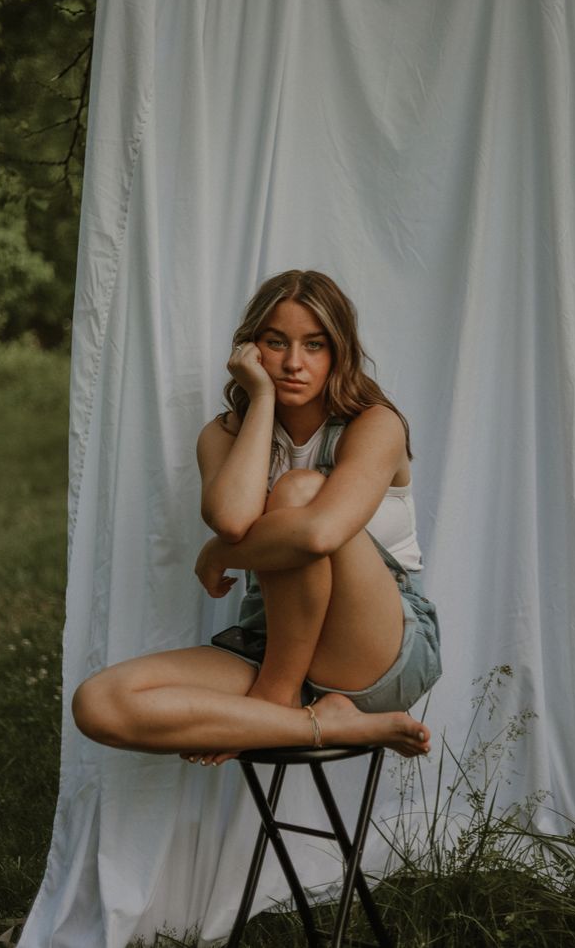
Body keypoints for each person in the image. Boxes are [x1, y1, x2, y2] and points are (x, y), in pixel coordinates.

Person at [72, 270, 441, 763]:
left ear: (339, 351)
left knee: (300, 492)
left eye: (314, 345)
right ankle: (310, 724)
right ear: (249, 350)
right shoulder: (223, 435)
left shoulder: (376, 424)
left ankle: (274, 702)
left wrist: (219, 553)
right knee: (99, 703)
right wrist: (262, 398)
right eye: (275, 342)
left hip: (374, 647)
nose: (293, 363)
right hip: (272, 641)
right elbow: (231, 517)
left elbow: (319, 533)